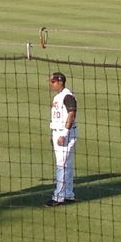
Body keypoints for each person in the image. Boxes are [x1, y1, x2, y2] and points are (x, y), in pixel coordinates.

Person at [46, 71, 78, 206]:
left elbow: (71, 114)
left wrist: (64, 133)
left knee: (62, 165)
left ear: (60, 82)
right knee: (67, 165)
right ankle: (68, 195)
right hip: (58, 133)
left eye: (53, 82)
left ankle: (58, 197)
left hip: (65, 134)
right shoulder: (58, 97)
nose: (51, 84)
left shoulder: (67, 96)